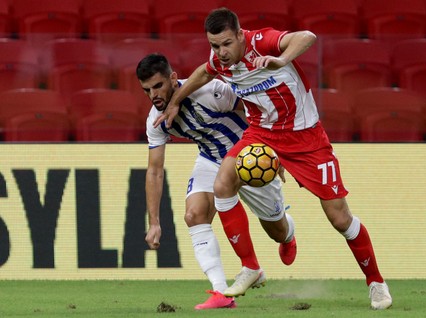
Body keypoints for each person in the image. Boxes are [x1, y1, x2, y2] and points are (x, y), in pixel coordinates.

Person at [153, 8, 393, 310]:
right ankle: (250, 267)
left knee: (339, 218)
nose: (221, 52)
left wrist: (282, 59)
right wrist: (175, 102)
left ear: (240, 35)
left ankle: (375, 281)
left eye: (227, 43)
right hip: (261, 133)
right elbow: (203, 72)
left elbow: (307, 36)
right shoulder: (219, 61)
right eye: (215, 45)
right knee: (222, 183)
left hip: (305, 138)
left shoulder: (261, 42)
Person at [138, 53, 297, 310]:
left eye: (158, 86)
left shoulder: (210, 91)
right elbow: (154, 170)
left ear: (173, 78)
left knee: (275, 230)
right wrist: (154, 222)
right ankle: (221, 292)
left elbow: (257, 110)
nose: (153, 95)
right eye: (147, 90)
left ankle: (287, 232)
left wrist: (276, 151)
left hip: (250, 158)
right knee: (194, 214)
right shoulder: (156, 121)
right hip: (211, 160)